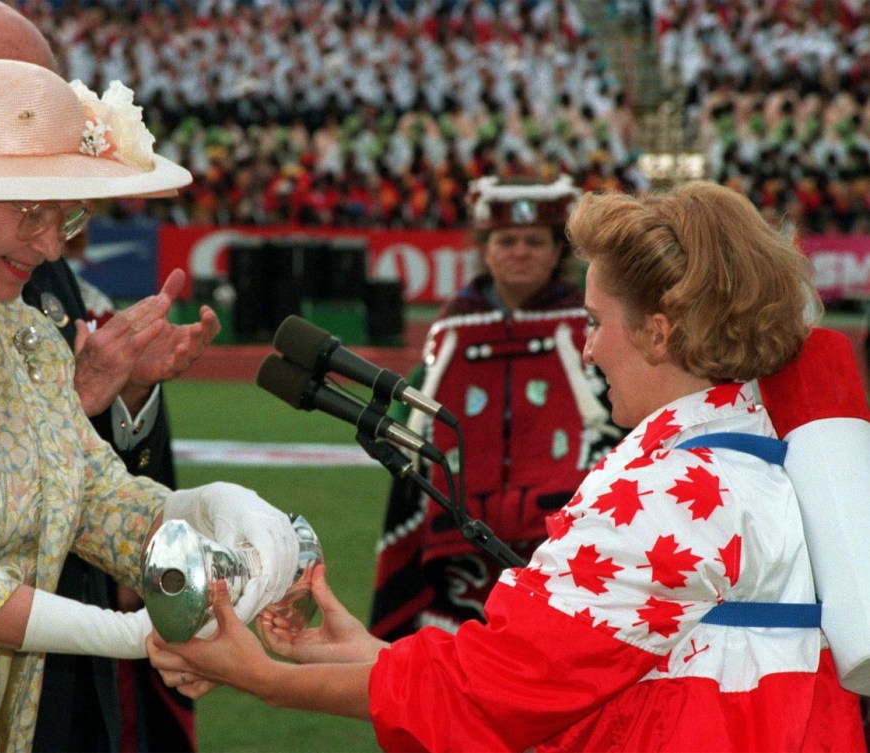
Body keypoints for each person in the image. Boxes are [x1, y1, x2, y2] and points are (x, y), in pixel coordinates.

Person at [148, 181, 868, 751]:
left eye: (594, 322)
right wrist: (356, 654)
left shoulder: (677, 492)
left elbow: (495, 688)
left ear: (659, 330)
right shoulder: (737, 451)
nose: (586, 349)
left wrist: (263, 677)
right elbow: (562, 660)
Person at [0, 58, 301, 752]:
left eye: (64, 214)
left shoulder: (23, 334)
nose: (50, 245)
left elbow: (93, 495)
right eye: (30, 212)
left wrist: (210, 513)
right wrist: (134, 634)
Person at [370, 174, 620, 640]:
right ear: (485, 248)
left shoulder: (589, 323)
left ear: (556, 251)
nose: (520, 251)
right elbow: (416, 424)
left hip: (560, 541)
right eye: (506, 240)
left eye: (534, 241)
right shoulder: (453, 328)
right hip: (458, 547)